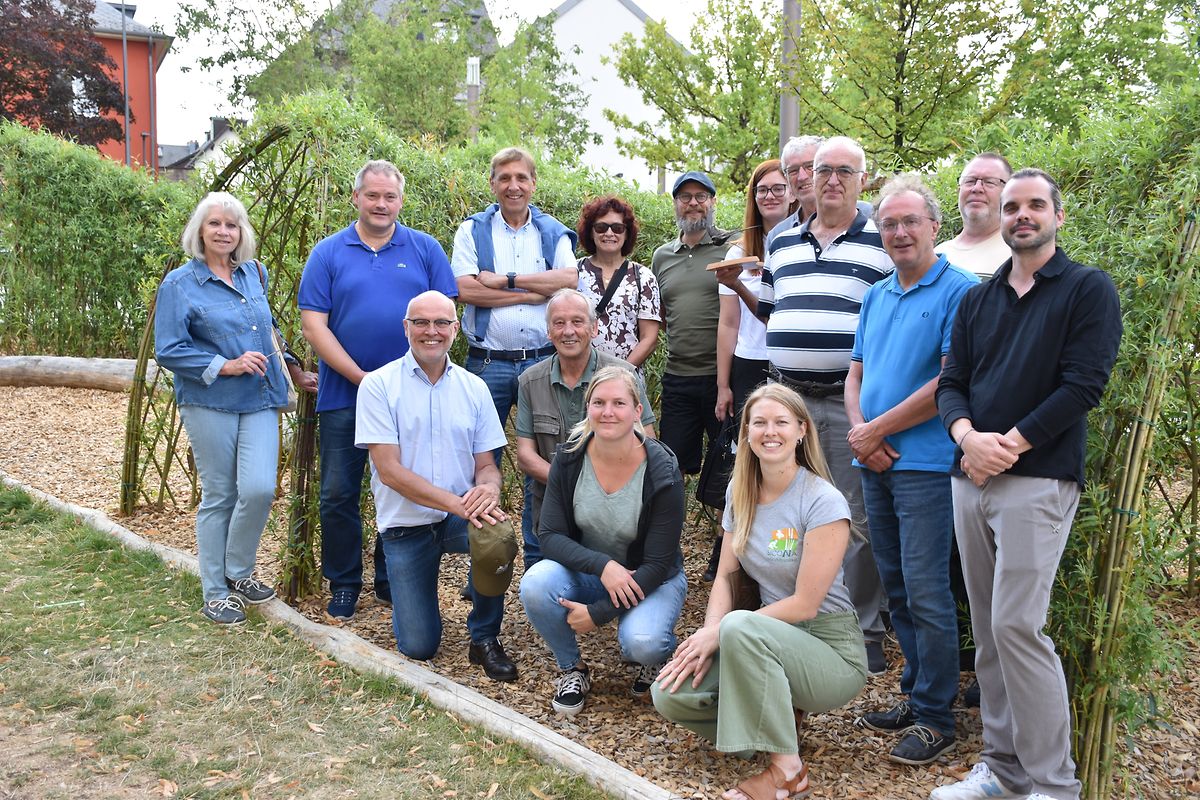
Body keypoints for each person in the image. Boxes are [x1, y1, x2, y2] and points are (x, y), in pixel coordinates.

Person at [932, 169, 1122, 800]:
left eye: (1035, 205)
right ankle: (1003, 769)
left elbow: (1083, 385)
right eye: (1012, 205)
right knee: (988, 630)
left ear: (1057, 216)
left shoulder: (1086, 289)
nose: (1022, 215)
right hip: (970, 477)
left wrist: (1006, 446)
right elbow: (952, 382)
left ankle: (1053, 784)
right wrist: (967, 439)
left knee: (1017, 626)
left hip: (1037, 478)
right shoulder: (977, 299)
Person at [652, 383, 867, 800]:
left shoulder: (822, 500)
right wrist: (711, 630)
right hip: (759, 638)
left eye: (781, 422)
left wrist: (725, 631)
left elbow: (806, 604)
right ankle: (774, 723)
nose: (770, 432)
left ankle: (788, 771)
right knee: (670, 695)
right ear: (746, 432)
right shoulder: (740, 490)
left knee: (738, 627)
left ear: (802, 430)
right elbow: (726, 577)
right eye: (759, 422)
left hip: (829, 650)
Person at [845, 175, 978, 766]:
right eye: (889, 224)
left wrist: (877, 430)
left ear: (934, 226)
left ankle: (936, 718)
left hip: (926, 464)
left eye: (909, 221)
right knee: (897, 587)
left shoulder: (961, 291)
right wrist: (862, 433)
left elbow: (951, 379)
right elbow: (856, 374)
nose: (898, 232)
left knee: (926, 590)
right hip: (874, 460)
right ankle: (915, 694)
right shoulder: (877, 294)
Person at [299, 160, 458, 623]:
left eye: (390, 196)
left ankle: (393, 576)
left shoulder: (425, 249)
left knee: (404, 485)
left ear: (401, 201)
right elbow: (313, 326)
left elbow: (443, 318)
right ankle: (345, 582)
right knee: (338, 492)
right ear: (356, 198)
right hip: (344, 394)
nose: (381, 204)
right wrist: (362, 379)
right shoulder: (328, 253)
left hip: (412, 396)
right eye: (372, 195)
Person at [758, 135, 891, 674]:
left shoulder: (883, 239)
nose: (831, 180)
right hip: (788, 399)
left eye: (844, 171)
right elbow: (773, 309)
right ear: (807, 178)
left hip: (847, 400)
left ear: (863, 180)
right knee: (785, 510)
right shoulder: (781, 240)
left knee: (853, 515)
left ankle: (862, 629)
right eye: (822, 170)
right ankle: (795, 617)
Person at [155, 192, 317, 625]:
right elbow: (168, 349)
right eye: (215, 224)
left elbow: (268, 329)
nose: (224, 232)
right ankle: (215, 592)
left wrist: (295, 370)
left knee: (260, 488)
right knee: (221, 494)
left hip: (260, 396)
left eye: (232, 224)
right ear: (200, 230)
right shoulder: (180, 284)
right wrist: (225, 365)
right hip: (210, 401)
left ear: (241, 231)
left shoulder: (253, 273)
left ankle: (238, 571)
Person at [355, 290, 519, 681]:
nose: (432, 331)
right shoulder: (378, 386)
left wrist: (489, 489)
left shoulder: (474, 388)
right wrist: (458, 503)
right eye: (422, 323)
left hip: (458, 519)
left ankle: (484, 637)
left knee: (497, 534)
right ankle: (414, 607)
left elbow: (486, 466)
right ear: (406, 328)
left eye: (441, 323)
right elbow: (390, 471)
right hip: (405, 526)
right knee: (419, 645)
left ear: (455, 329)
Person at [520, 366, 686, 716]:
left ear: (637, 411)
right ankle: (572, 669)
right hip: (592, 574)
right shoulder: (569, 458)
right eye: (599, 403)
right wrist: (603, 566)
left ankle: (656, 658)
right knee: (536, 583)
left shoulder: (662, 469)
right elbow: (549, 535)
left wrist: (598, 613)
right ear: (588, 408)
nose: (608, 412)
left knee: (642, 643)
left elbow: (658, 564)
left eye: (619, 403)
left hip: (651, 578)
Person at [451, 146, 579, 569]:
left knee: (541, 462)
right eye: (504, 178)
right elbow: (465, 289)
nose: (513, 185)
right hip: (487, 363)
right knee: (477, 462)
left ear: (533, 183)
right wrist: (530, 293)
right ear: (492, 184)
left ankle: (539, 565)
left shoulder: (552, 231)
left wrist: (505, 281)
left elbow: (568, 281)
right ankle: (483, 565)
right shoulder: (472, 230)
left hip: (541, 362)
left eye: (521, 177)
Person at [515, 289, 656, 533]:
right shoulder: (530, 381)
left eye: (577, 322)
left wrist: (599, 488)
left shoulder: (624, 375)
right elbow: (525, 455)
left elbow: (648, 442)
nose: (568, 331)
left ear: (594, 328)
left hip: (615, 512)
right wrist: (571, 484)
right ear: (548, 331)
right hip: (553, 509)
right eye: (559, 323)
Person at [651, 170, 734, 478]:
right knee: (671, 468)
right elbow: (660, 313)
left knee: (729, 467)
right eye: (685, 197)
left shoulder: (732, 248)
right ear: (675, 204)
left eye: (701, 196)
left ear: (713, 202)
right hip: (678, 378)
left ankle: (725, 514)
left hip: (724, 378)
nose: (693, 203)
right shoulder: (661, 256)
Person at [715, 158, 797, 421]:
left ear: (792, 194)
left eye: (778, 188)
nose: (769, 196)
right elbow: (728, 323)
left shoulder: (803, 246)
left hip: (794, 361)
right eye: (762, 190)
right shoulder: (737, 252)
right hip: (750, 361)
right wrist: (723, 385)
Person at [575, 195, 661, 371]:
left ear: (627, 233)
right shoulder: (573, 272)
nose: (609, 233)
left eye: (617, 228)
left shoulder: (643, 277)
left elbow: (649, 338)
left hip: (627, 376)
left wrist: (619, 373)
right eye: (601, 227)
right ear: (590, 232)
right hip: (579, 375)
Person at [936, 153, 1013, 279]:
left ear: (1009, 193)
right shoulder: (938, 255)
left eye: (989, 182)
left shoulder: (1019, 255)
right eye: (970, 181)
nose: (977, 188)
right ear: (958, 190)